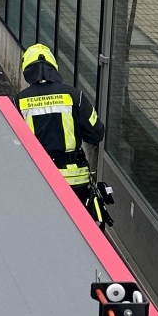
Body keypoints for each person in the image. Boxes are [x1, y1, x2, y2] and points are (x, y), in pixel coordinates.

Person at [18, 45, 108, 225]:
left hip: (38, 180)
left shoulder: (18, 101)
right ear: (54, 67)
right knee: (81, 229)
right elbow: (96, 134)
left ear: (27, 71)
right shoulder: (75, 96)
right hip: (76, 183)